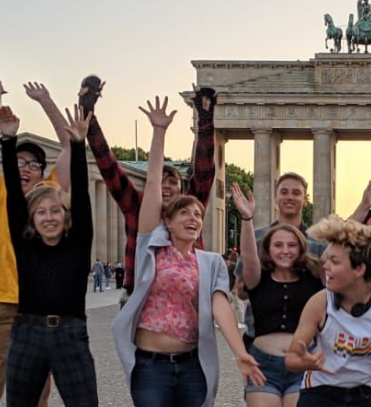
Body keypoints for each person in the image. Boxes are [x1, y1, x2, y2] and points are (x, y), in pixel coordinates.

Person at [112, 97, 262, 407]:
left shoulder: (210, 263)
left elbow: (220, 304)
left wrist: (240, 352)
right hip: (150, 365)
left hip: (191, 365)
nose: (193, 218)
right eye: (185, 213)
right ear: (167, 220)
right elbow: (153, 182)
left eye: (198, 215)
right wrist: (158, 133)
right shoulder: (150, 248)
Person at [0, 75, 65, 407]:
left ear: (43, 172)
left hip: (39, 304)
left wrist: (46, 102)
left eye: (33, 164)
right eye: (19, 162)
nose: (25, 168)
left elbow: (70, 144)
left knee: (40, 391)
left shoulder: (49, 196)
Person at [0, 106, 99, 407]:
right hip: (27, 333)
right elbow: (14, 199)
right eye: (41, 212)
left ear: (66, 216)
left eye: (56, 210)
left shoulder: (78, 241)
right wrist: (7, 142)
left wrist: (79, 144)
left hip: (70, 333)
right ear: (32, 219)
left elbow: (81, 194)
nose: (49, 218)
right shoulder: (25, 242)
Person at [80, 79, 217, 297]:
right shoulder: (136, 205)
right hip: (142, 294)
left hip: (187, 293)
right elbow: (108, 165)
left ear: (182, 190)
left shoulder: (191, 207)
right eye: (161, 180)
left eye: (173, 182)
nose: (166, 186)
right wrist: (89, 114)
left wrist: (206, 120)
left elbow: (204, 172)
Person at [285, 216, 371, 407]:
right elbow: (291, 359)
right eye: (326, 260)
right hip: (322, 389)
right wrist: (307, 363)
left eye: (334, 261)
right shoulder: (319, 302)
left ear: (359, 269)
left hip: (370, 391)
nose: (325, 266)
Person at [232, 183, 326, 407]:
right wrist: (247, 219)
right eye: (279, 245)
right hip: (263, 365)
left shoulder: (314, 278)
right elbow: (248, 254)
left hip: (303, 363)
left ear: (301, 248)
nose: (285, 250)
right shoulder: (258, 278)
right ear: (268, 249)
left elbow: (336, 249)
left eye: (292, 245)